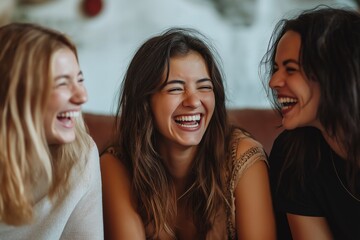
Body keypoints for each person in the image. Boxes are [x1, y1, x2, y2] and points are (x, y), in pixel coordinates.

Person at [100, 27, 276, 239]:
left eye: (204, 87)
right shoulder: (117, 164)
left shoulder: (242, 157)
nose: (193, 102)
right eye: (175, 88)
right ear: (144, 102)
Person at [260, 6, 360, 240]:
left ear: (336, 75)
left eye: (291, 69)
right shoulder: (294, 155)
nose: (274, 81)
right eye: (275, 69)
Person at [0, 23, 103, 239]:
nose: (82, 96)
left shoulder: (80, 155)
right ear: (16, 93)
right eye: (63, 83)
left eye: (80, 80)